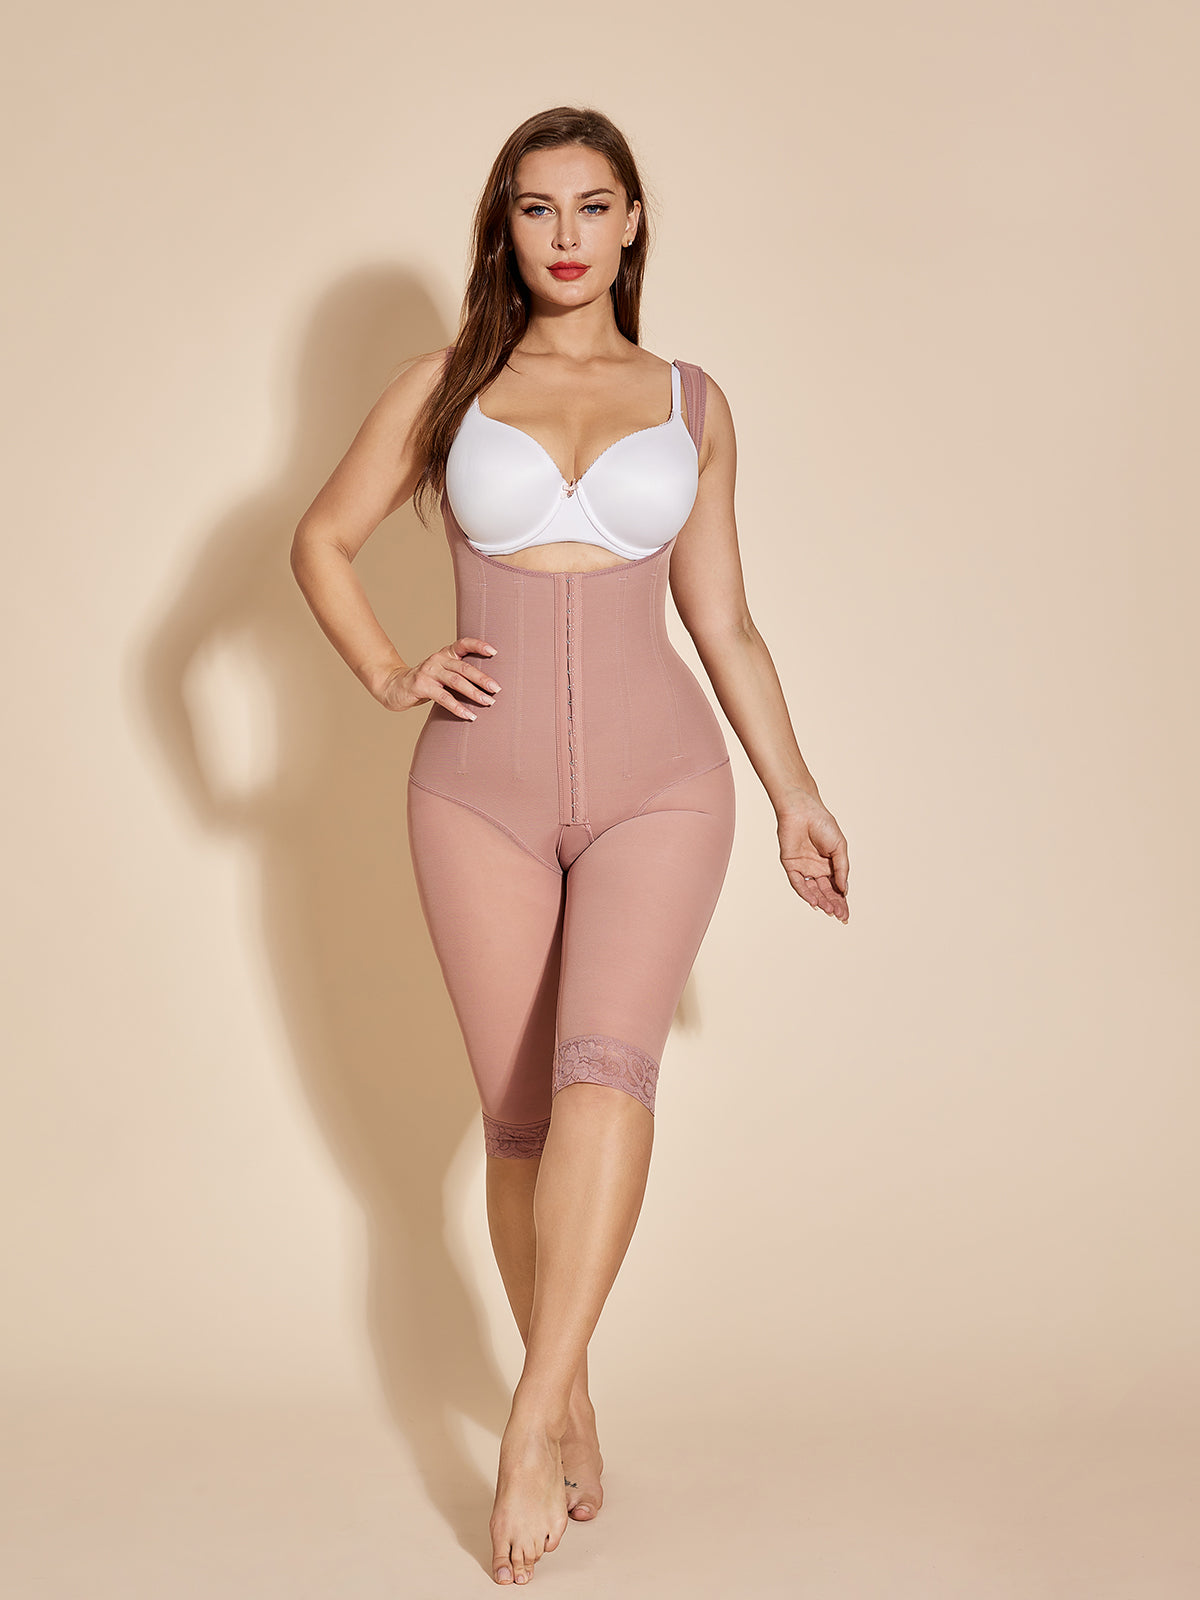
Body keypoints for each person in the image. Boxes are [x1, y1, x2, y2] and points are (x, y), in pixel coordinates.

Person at [291, 104, 850, 1587]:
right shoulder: (445, 388)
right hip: (473, 791)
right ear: (505, 225)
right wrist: (390, 672)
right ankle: (578, 1389)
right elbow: (319, 541)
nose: (565, 235)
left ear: (632, 222)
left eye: (593, 206)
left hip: (664, 785)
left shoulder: (693, 401)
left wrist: (795, 796)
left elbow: (724, 622)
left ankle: (531, 1414)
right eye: (537, 208)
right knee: (520, 1123)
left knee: (609, 1070)